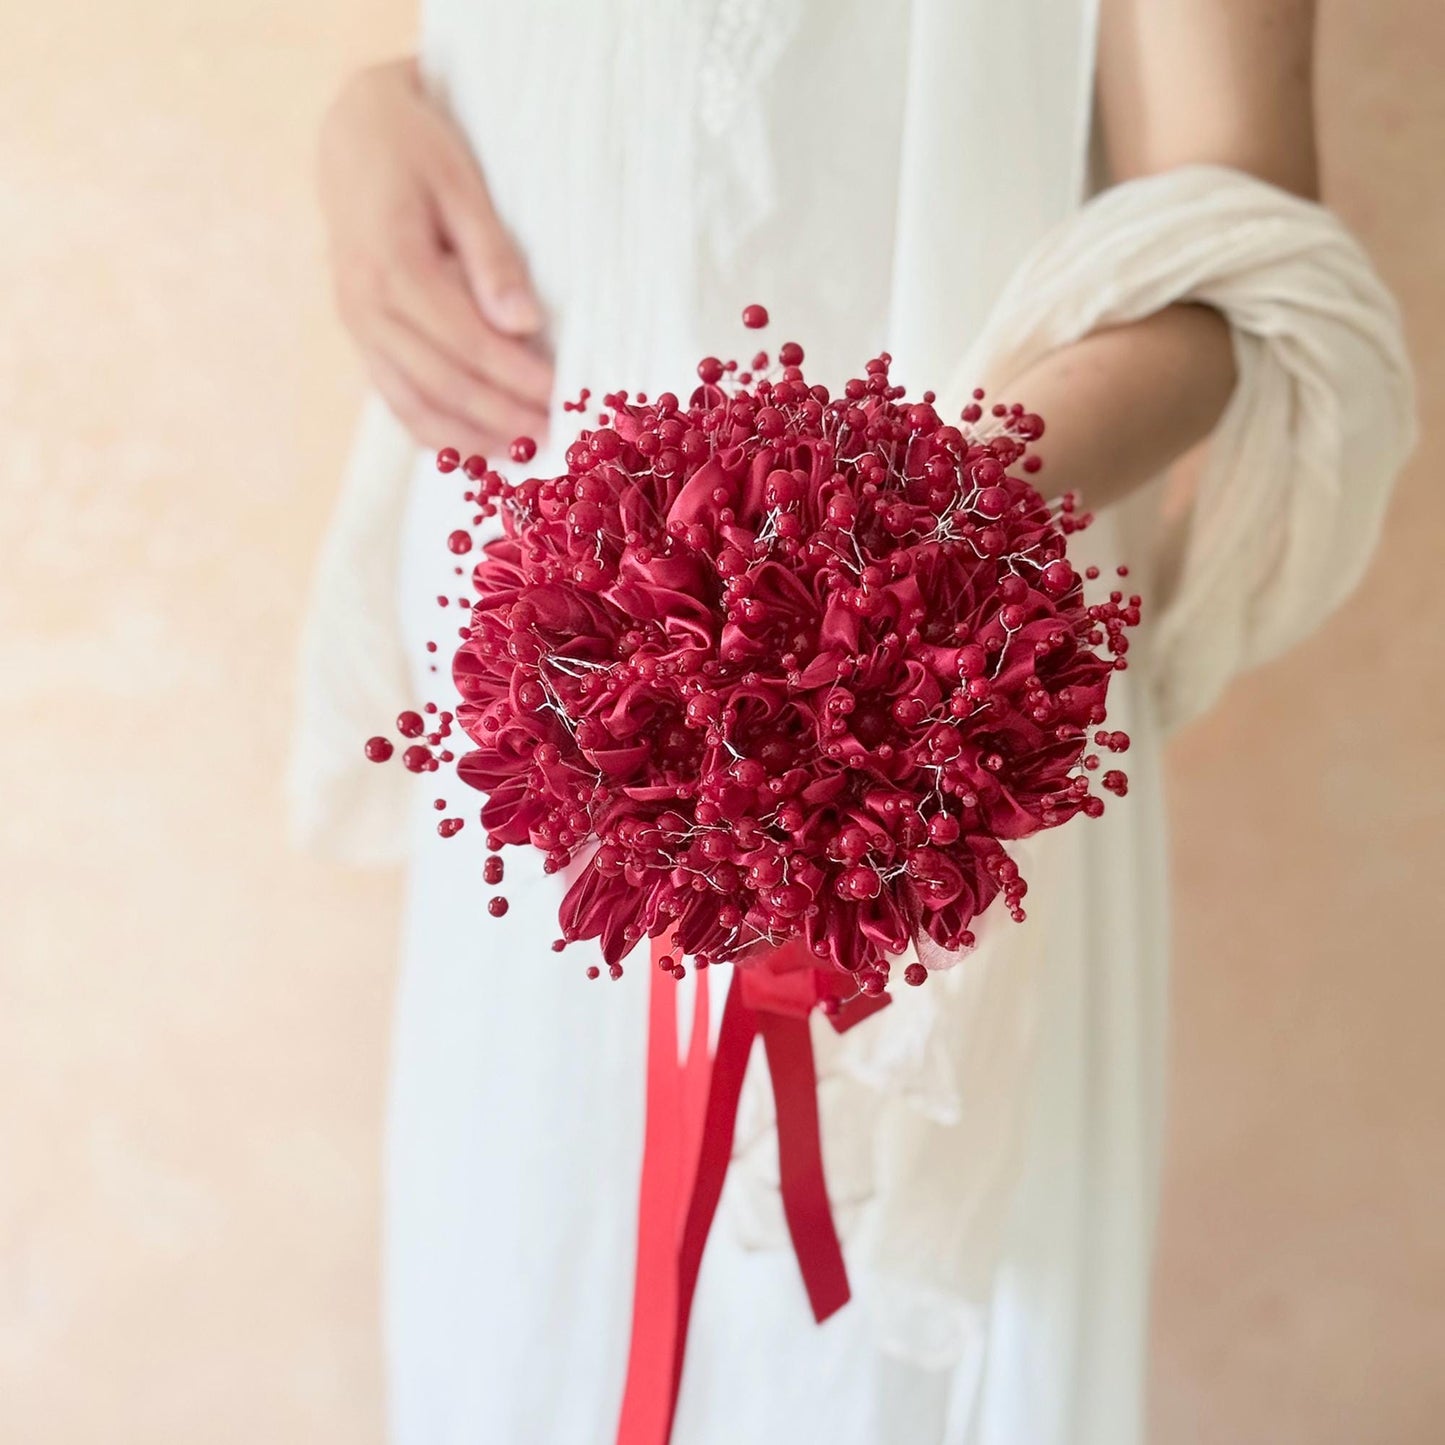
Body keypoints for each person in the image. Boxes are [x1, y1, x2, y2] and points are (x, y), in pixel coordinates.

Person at [294, 3, 1413, 1441]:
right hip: (540, 746)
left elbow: (1240, 255)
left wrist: (873, 558)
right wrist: (374, 108)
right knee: (527, 1318)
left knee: (855, 1358)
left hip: (913, 726)